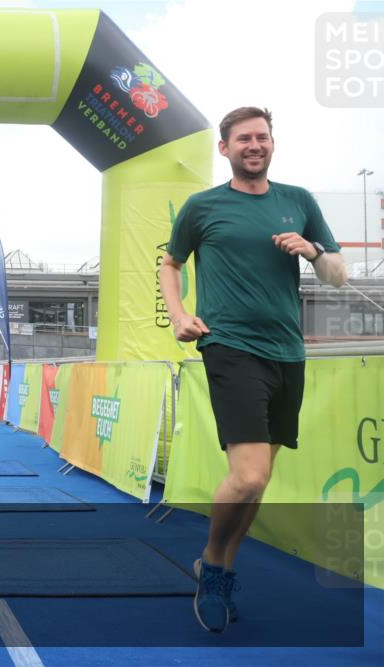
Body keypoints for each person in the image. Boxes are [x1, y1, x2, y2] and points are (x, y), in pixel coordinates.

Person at [160, 107, 347, 634]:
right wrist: (178, 316)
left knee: (259, 481)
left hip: (286, 352)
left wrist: (312, 251)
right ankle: (214, 568)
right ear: (225, 148)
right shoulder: (204, 206)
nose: (254, 145)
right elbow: (169, 264)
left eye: (262, 137)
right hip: (229, 346)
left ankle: (219, 564)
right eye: (243, 138)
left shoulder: (298, 201)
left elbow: (336, 275)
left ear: (272, 144)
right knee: (248, 474)